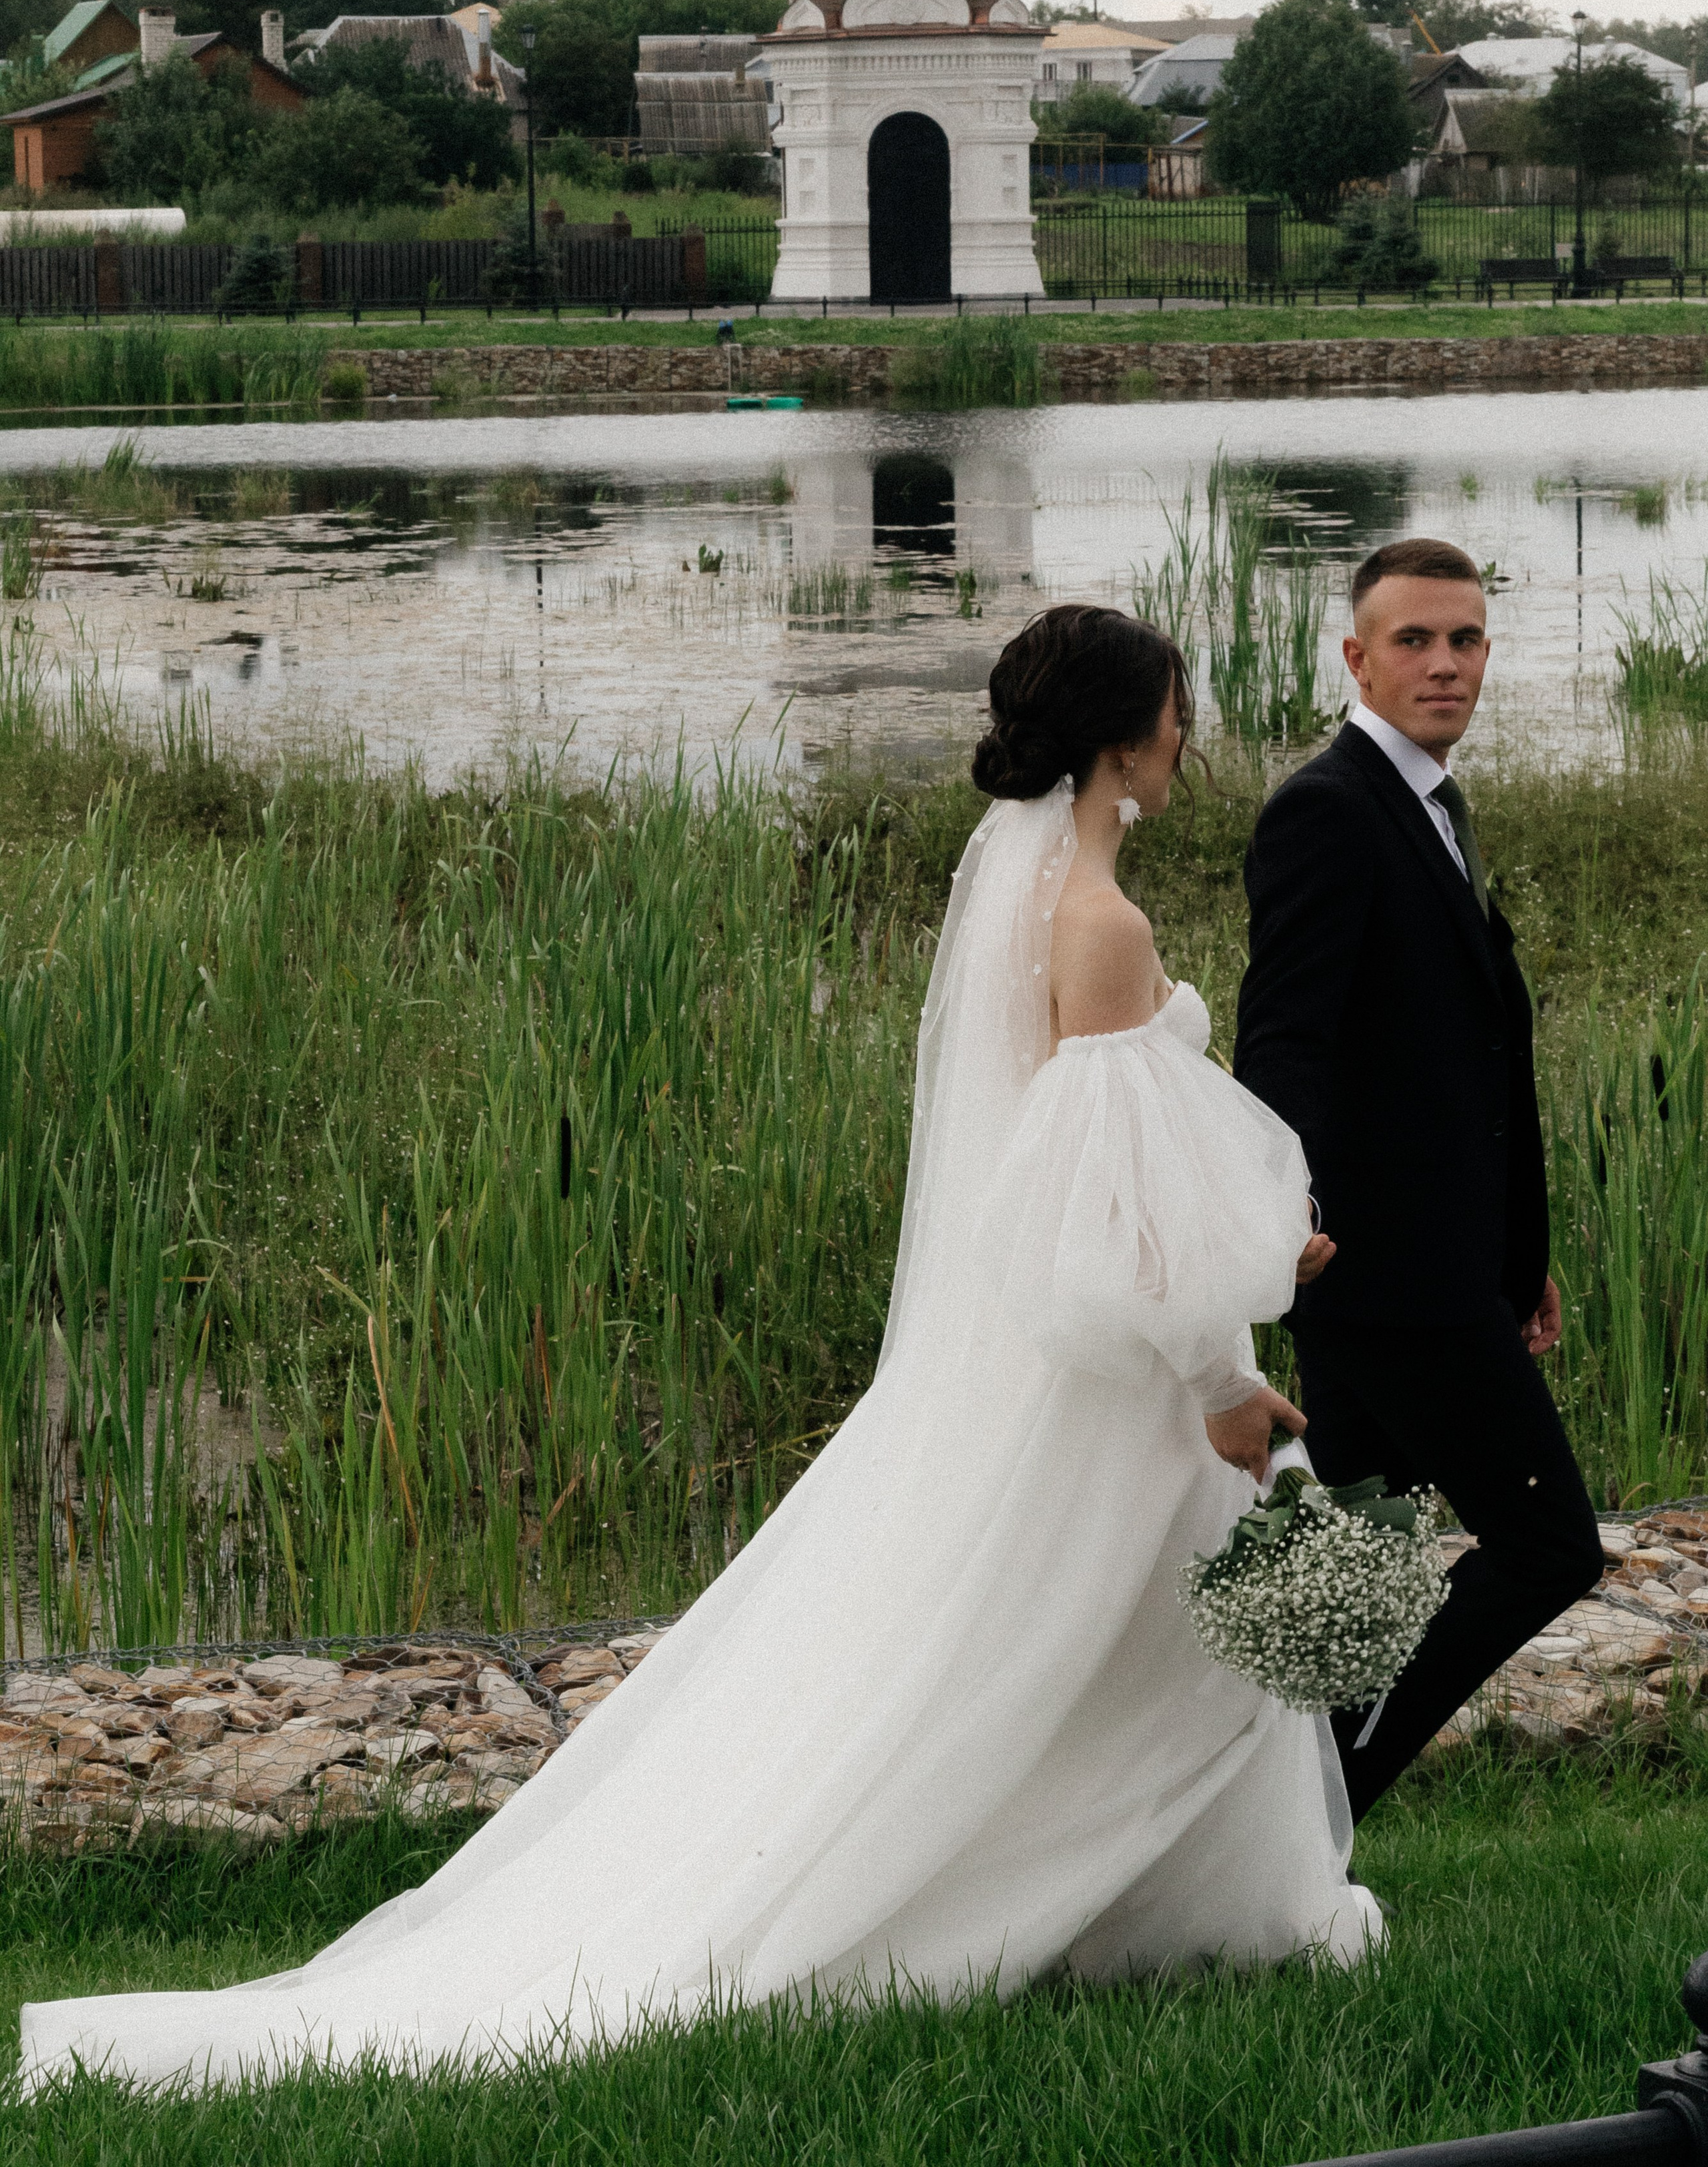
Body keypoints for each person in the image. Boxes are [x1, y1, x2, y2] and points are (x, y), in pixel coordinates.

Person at [21, 604, 1376, 2093]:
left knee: (1096, 1649)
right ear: (1130, 738)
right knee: (1112, 1645)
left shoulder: (1015, 897)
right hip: (1116, 1388)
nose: (1189, 735)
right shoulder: (1098, 926)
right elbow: (1094, 1222)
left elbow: (1080, 1173)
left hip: (1046, 1366)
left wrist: (1245, 1262)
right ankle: (1119, 1909)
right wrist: (1220, 1379)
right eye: (1178, 710)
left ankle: (1146, 1912)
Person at [1234, 538, 1604, 1823]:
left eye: (1466, 640)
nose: (1445, 664)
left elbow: (1463, 1064)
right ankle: (1327, 1802)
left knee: (1350, 1574)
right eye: (1414, 641)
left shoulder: (1432, 803)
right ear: (1355, 657)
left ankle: (1261, 1836)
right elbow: (1284, 1043)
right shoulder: (1328, 808)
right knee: (1549, 1547)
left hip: (1439, 1268)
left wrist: (1517, 1249)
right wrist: (1290, 1231)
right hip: (1386, 1280)